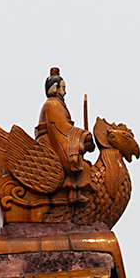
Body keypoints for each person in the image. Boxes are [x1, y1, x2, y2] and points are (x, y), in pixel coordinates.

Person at [35, 67, 95, 200]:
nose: (65, 92)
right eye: (63, 88)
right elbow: (61, 130)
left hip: (55, 141)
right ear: (55, 88)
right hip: (51, 145)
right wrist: (83, 136)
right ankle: (73, 195)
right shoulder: (52, 105)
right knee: (81, 166)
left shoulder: (58, 105)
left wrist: (82, 138)